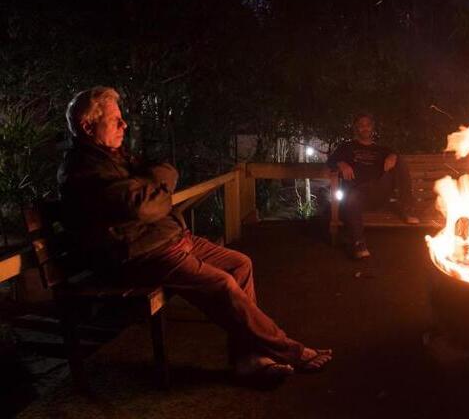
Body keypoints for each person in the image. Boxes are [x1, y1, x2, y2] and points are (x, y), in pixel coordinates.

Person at [57, 86, 330, 382]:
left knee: (240, 264)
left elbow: (166, 172)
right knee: (223, 285)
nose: (124, 125)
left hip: (169, 238)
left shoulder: (117, 158)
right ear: (87, 126)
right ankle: (289, 350)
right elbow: (144, 207)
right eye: (115, 120)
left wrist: (155, 190)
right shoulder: (83, 171)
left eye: (122, 119)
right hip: (140, 255)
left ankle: (248, 357)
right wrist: (156, 191)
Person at [327, 112, 419, 259]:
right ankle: (359, 243)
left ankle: (408, 208)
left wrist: (392, 156)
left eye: (367, 125)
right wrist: (341, 163)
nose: (365, 128)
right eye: (361, 125)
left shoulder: (381, 149)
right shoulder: (347, 147)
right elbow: (330, 161)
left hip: (379, 192)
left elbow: (395, 158)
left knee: (398, 158)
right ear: (356, 128)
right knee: (352, 196)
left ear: (372, 128)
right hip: (357, 195)